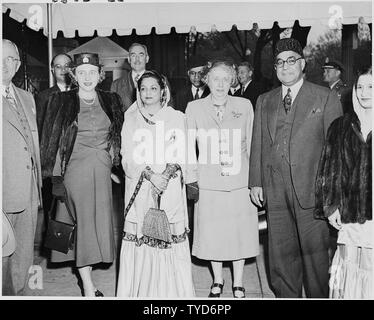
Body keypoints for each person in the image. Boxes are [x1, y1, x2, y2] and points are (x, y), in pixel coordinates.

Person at [249, 38, 342, 298]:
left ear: (302, 64)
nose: (285, 67)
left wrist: (333, 195)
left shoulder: (325, 97)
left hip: (312, 192)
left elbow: (335, 150)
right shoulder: (264, 100)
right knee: (280, 257)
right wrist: (256, 181)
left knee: (316, 262)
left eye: (291, 61)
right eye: (279, 62)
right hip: (275, 191)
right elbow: (259, 142)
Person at [40, 52, 124, 297]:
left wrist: (115, 165)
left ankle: (88, 279)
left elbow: (116, 136)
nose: (87, 77)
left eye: (92, 72)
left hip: (102, 170)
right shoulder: (61, 100)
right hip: (75, 170)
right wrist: (55, 178)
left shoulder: (111, 99)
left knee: (97, 225)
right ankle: (88, 285)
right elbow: (52, 140)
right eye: (81, 72)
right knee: (84, 225)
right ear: (74, 75)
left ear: (100, 75)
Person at [117, 70, 194, 298]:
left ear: (163, 91)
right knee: (142, 241)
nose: (148, 93)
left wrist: (167, 174)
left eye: (153, 88)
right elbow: (127, 157)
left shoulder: (177, 118)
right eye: (143, 89)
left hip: (170, 190)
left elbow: (186, 153)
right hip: (140, 190)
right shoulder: (130, 121)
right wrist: (151, 175)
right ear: (138, 93)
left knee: (169, 239)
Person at [186, 61, 259, 298]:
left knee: (238, 233)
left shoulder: (245, 105)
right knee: (213, 234)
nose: (220, 84)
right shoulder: (194, 107)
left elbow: (252, 144)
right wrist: (191, 179)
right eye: (215, 78)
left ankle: (238, 282)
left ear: (232, 81)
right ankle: (218, 280)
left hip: (239, 181)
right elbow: (187, 148)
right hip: (208, 183)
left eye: (225, 79)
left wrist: (254, 180)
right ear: (206, 80)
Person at [315, 66, 372, 299]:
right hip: (349, 214)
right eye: (360, 87)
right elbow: (329, 169)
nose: (364, 92)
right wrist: (330, 206)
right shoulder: (340, 126)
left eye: (370, 87)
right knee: (347, 268)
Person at [2, 39, 42, 295]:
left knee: (24, 258)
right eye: (2, 59)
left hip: (28, 192)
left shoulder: (27, 97)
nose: (7, 65)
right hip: (3, 192)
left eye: (12, 60)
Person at [35, 53, 73, 235]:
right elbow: (40, 128)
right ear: (52, 69)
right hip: (52, 164)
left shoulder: (81, 93)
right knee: (53, 207)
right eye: (58, 66)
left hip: (75, 161)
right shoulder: (44, 97)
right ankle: (53, 248)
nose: (63, 70)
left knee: (74, 205)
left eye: (66, 65)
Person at [111, 42, 173, 112]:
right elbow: (114, 115)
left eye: (141, 55)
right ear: (129, 59)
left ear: (147, 59)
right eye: (133, 55)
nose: (137, 59)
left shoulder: (162, 80)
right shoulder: (116, 85)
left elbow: (168, 110)